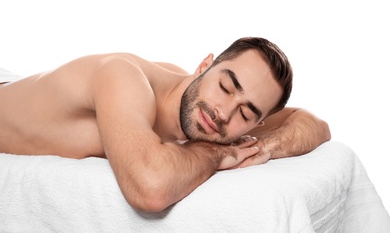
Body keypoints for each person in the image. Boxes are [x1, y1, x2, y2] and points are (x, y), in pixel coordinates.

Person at [0, 37, 331, 212]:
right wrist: (217, 154)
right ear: (203, 66)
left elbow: (315, 125)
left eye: (246, 114)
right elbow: (151, 188)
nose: (223, 113)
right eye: (226, 86)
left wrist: (263, 148)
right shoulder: (124, 77)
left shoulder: (216, 112)